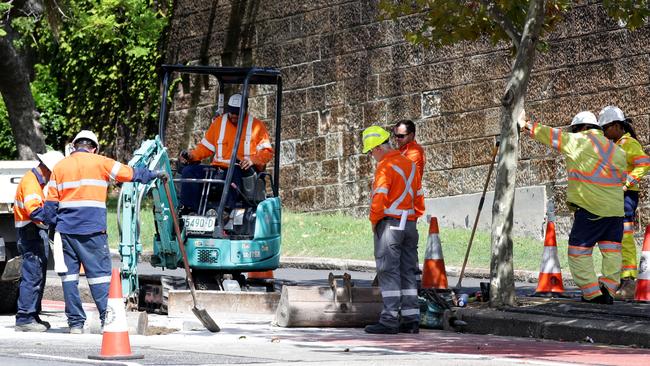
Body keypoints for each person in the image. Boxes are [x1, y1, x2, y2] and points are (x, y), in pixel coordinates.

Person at [44, 130, 166, 333]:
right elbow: (132, 173)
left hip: (66, 231)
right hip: (93, 230)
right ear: (94, 148)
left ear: (74, 146)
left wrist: (53, 226)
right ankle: (106, 321)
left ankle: (75, 324)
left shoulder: (60, 166)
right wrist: (153, 174)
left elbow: (50, 204)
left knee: (69, 278)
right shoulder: (101, 162)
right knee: (99, 277)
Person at [520, 110, 626, 304]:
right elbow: (622, 179)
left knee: (578, 251)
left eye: (575, 129)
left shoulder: (577, 142)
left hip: (591, 208)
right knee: (612, 252)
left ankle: (593, 294)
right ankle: (609, 290)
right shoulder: (617, 151)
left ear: (582, 128)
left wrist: (527, 126)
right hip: (616, 212)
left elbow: (551, 135)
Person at [362, 125, 425, 334]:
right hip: (409, 224)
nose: (372, 156)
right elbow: (418, 197)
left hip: (390, 224)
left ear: (378, 148)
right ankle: (411, 318)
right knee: (408, 271)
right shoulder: (410, 165)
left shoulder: (385, 166)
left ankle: (389, 319)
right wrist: (412, 219)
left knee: (388, 271)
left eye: (371, 152)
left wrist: (374, 221)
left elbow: (379, 198)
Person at [179, 93, 273, 214]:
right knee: (189, 171)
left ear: (245, 111)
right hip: (217, 170)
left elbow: (267, 152)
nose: (233, 116)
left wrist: (252, 160)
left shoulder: (256, 126)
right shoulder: (218, 123)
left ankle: (226, 212)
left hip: (240, 171)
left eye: (237, 113)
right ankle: (188, 211)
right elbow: (205, 147)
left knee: (232, 173)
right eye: (231, 112)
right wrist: (192, 156)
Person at [598, 106, 650, 299]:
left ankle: (629, 281)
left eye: (606, 128)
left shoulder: (628, 143)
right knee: (615, 237)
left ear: (617, 126)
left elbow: (644, 163)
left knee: (625, 236)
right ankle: (619, 278)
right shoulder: (616, 144)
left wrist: (626, 183)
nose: (604, 133)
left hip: (625, 198)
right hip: (615, 197)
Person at [14, 151, 64, 332]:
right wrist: (57, 221)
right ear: (49, 170)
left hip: (33, 231)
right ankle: (25, 318)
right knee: (32, 275)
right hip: (30, 232)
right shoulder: (31, 183)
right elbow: (34, 211)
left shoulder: (36, 182)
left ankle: (32, 314)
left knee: (38, 275)